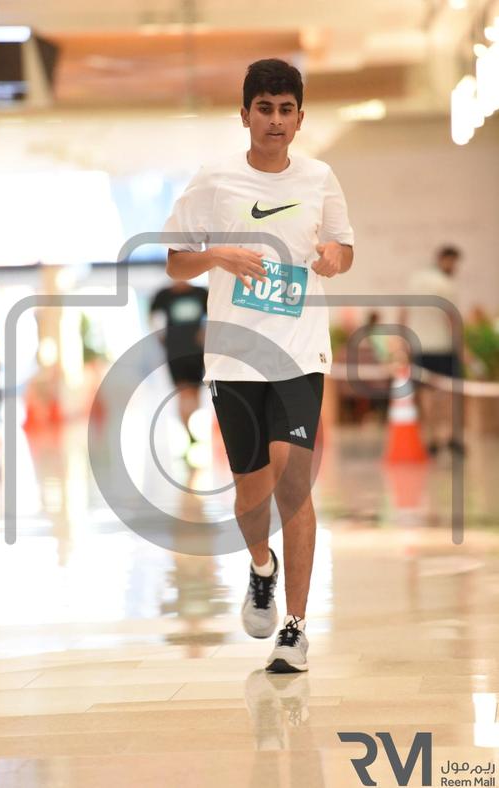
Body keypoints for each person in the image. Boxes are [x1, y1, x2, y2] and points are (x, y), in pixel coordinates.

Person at [163, 59, 354, 672]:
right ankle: (261, 567)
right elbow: (175, 261)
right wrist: (217, 254)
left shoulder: (319, 177)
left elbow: (344, 247)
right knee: (251, 493)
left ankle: (295, 629)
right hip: (235, 357)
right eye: (264, 109)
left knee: (293, 481)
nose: (275, 120)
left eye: (286, 109)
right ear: (244, 115)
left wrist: (334, 255)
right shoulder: (214, 180)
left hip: (299, 352)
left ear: (300, 118)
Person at [403, 246, 463, 455]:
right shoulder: (446, 284)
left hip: (419, 346)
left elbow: (404, 312)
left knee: (426, 393)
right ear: (445, 259)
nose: (455, 267)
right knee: (447, 393)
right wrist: (460, 346)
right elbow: (451, 318)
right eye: (454, 262)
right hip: (443, 346)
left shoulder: (415, 281)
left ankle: (431, 438)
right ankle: (449, 436)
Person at [149, 280, 208, 446]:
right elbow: (152, 316)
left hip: (196, 351)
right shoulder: (164, 295)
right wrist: (160, 336)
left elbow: (213, 312)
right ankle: (188, 433)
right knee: (183, 391)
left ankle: (193, 429)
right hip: (175, 352)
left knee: (195, 391)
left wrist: (205, 332)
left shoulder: (200, 293)